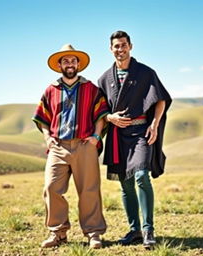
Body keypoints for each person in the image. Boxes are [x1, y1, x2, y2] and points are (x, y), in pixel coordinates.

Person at [98, 31, 172, 249]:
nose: (120, 50)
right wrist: (110, 117)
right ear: (110, 49)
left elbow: (161, 99)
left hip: (141, 132)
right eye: (116, 46)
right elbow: (99, 111)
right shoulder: (104, 79)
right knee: (125, 184)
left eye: (123, 45)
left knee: (141, 175)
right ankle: (134, 230)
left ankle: (148, 230)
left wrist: (155, 124)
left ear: (130, 46)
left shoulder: (145, 73)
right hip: (117, 135)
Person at [32, 44, 108, 249]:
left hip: (85, 145)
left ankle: (93, 234)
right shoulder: (51, 90)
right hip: (58, 146)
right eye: (65, 60)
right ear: (59, 65)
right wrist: (48, 138)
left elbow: (101, 114)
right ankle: (58, 233)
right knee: (51, 187)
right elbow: (42, 118)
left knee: (89, 190)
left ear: (78, 64)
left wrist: (95, 136)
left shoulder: (91, 88)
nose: (70, 64)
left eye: (73, 60)